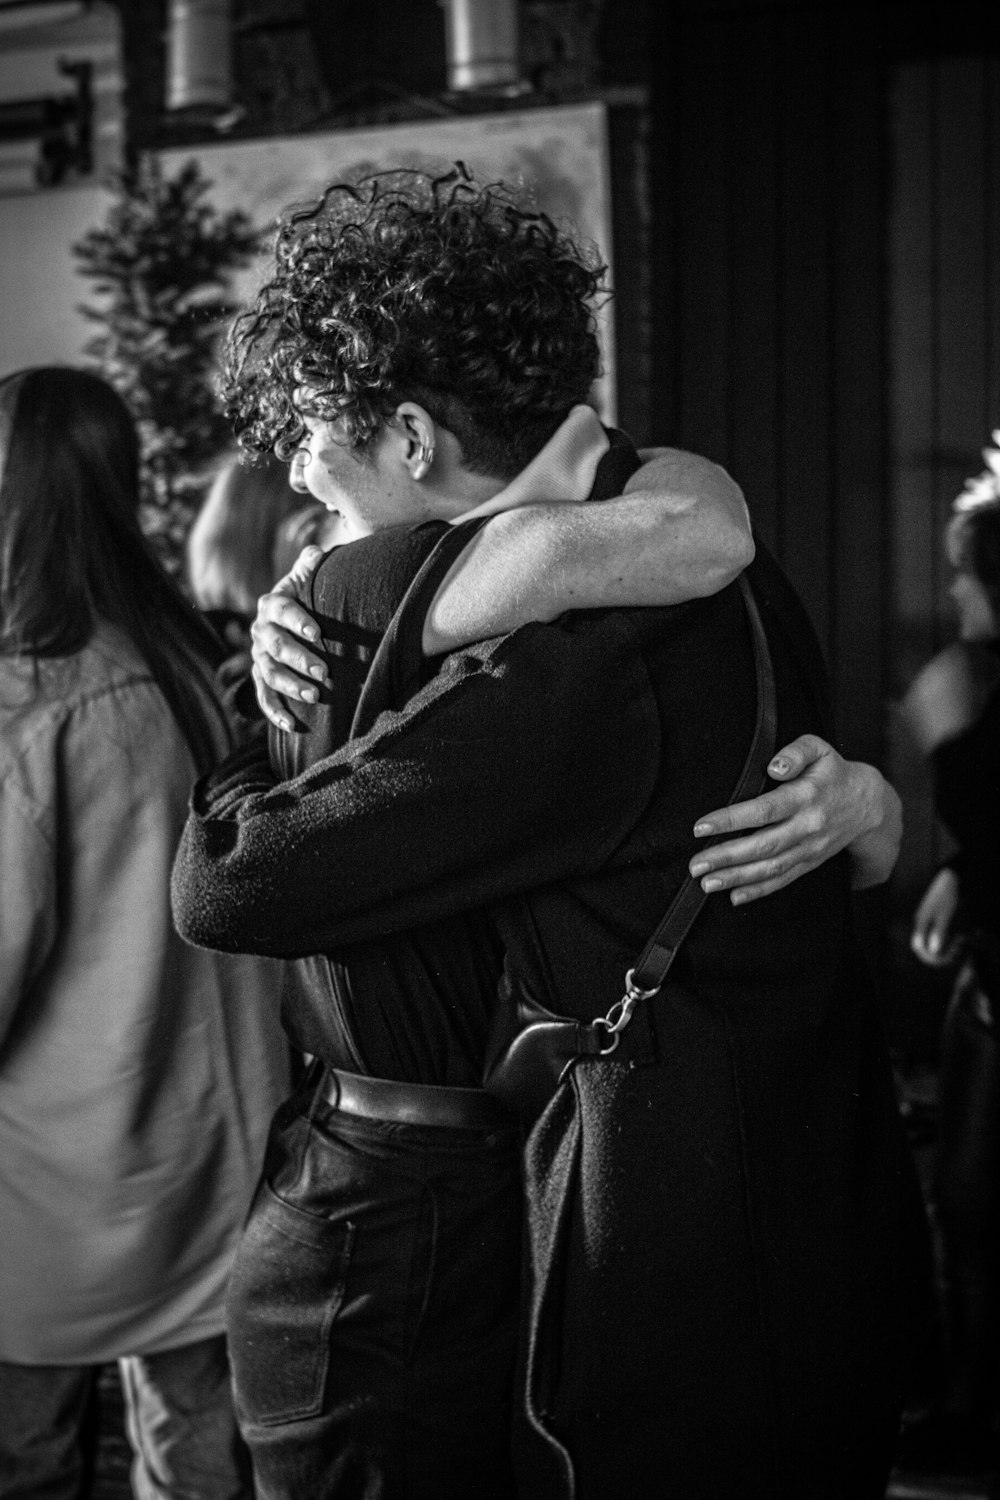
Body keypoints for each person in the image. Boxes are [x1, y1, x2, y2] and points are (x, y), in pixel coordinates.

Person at [172, 166, 913, 1499]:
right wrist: (873, 808)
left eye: (315, 435)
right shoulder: (687, 528)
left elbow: (236, 886)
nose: (297, 472)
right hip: (815, 1197)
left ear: (408, 437)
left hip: (679, 1254)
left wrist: (286, 661)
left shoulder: (565, 639)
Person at [0, 367, 289, 1500]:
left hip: (62, 1167)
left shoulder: (31, 696)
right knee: (200, 1451)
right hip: (218, 1136)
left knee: (25, 1456)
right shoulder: (192, 659)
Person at [899, 461, 1000, 1478]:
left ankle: (971, 1412)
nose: (956, 595)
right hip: (984, 980)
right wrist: (961, 880)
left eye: (967, 578)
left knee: (972, 1209)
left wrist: (940, 738)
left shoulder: (969, 699)